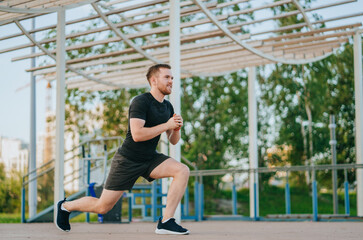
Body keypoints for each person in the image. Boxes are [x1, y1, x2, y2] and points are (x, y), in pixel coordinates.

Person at [56, 64, 190, 235]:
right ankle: (66, 206)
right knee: (103, 207)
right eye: (167, 77)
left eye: (172, 77)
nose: (171, 81)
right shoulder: (140, 102)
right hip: (127, 160)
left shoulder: (168, 107)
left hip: (150, 158)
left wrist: (176, 128)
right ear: (154, 80)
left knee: (182, 170)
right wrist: (166, 125)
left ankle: (166, 221)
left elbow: (173, 141)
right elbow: (137, 134)